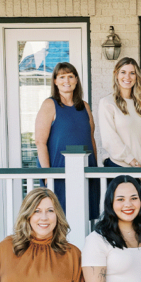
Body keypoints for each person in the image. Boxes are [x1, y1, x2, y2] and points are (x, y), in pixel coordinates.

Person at [34, 62, 100, 219]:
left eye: (70, 76)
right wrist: (47, 175)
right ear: (55, 81)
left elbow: (91, 138)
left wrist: (95, 169)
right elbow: (40, 142)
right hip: (59, 172)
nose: (67, 80)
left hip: (86, 171)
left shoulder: (84, 106)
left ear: (76, 80)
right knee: (60, 218)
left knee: (83, 216)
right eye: (62, 77)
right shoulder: (50, 104)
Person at [98, 56, 141, 168]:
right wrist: (131, 160)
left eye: (132, 73)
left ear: (136, 77)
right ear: (116, 75)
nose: (127, 77)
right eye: (123, 72)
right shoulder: (107, 103)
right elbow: (109, 138)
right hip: (118, 166)